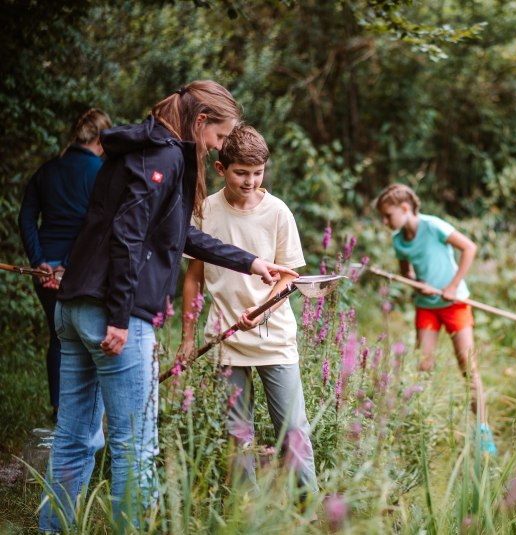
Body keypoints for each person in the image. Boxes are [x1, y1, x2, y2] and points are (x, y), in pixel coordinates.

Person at [39, 81, 299, 533]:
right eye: (218, 137)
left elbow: (178, 235)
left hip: (74, 305)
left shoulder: (136, 147)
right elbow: (128, 235)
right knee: (134, 446)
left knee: (73, 438)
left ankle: (52, 529)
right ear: (200, 123)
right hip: (113, 317)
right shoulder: (163, 157)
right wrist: (120, 317)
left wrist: (251, 261)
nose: (217, 146)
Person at [178, 125, 317, 498]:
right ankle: (247, 513)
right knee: (236, 433)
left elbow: (289, 279)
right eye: (242, 172)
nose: (251, 181)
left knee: (292, 430)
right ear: (221, 169)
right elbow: (193, 278)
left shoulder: (277, 213)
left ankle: (308, 511)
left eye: (258, 173)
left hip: (274, 339)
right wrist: (187, 337)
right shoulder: (205, 210)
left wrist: (260, 309)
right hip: (226, 339)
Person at [375, 183, 496, 455]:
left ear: (405, 209)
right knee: (423, 366)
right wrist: (418, 283)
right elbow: (408, 274)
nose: (385, 222)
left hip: (455, 303)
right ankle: (422, 429)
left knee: (467, 367)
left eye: (388, 215)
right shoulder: (399, 241)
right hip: (426, 306)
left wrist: (452, 286)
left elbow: (470, 248)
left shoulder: (433, 226)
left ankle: (483, 430)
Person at [18, 108, 112, 421]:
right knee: (89, 339)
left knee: (58, 336)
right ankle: (86, 414)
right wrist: (69, 266)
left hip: (42, 271)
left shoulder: (47, 170)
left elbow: (26, 218)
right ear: (101, 139)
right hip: (82, 272)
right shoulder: (101, 172)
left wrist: (40, 262)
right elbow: (96, 225)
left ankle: (60, 409)